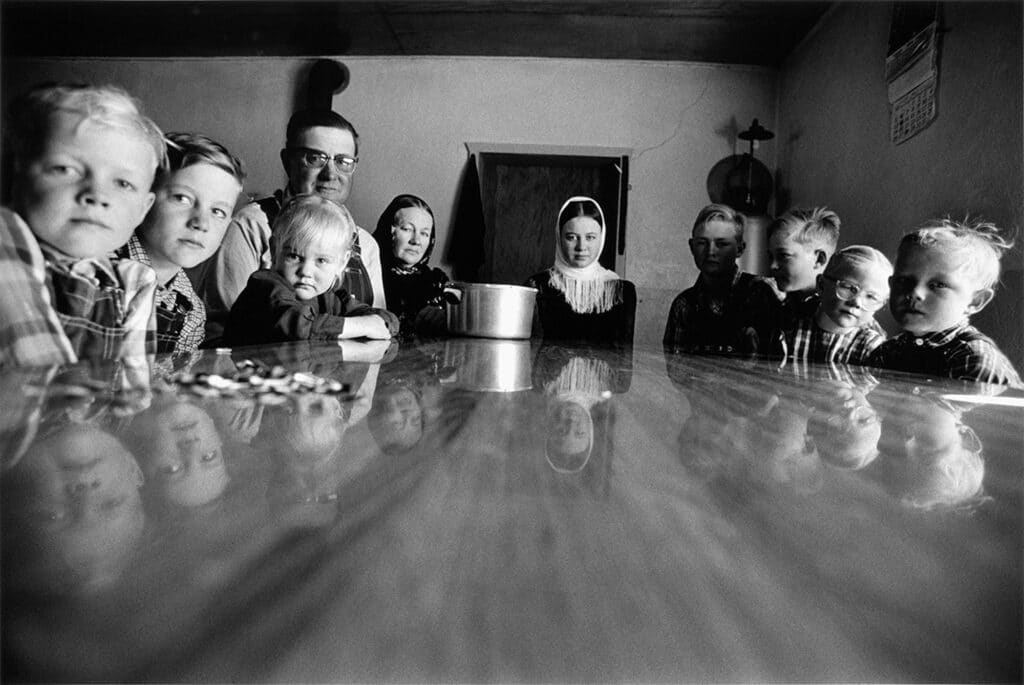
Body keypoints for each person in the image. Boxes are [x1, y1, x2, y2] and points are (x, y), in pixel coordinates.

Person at [0, 82, 167, 366]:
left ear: (143, 209)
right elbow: (36, 376)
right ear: (14, 176)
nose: (96, 195)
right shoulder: (5, 237)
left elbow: (133, 394)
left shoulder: (134, 283)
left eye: (123, 183)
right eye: (65, 169)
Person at [198, 109, 385, 345]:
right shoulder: (252, 225)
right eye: (315, 158)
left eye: (343, 161)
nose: (331, 174)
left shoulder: (366, 244)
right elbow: (222, 330)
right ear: (287, 161)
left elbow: (377, 331)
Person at [116, 132, 244, 357]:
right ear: (144, 199)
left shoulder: (191, 310)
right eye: (182, 199)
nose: (201, 223)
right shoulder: (98, 272)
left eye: (218, 211)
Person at [223, 194, 397, 346]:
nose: (306, 271)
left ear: (342, 263)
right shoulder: (265, 285)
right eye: (294, 256)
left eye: (321, 260)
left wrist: (379, 322)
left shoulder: (328, 298)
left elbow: (389, 320)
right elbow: (298, 325)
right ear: (274, 250)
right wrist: (365, 326)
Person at [869, 219, 1022, 387]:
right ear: (890, 285)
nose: (915, 293)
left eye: (938, 285)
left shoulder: (973, 360)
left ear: (976, 301)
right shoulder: (886, 352)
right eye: (904, 280)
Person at [525, 196, 636, 346]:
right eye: (572, 237)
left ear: (601, 238)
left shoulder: (621, 292)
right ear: (559, 237)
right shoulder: (537, 286)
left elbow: (624, 354)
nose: (581, 246)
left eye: (590, 237)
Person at [663, 203, 774, 354]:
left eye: (722, 244)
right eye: (702, 243)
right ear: (691, 247)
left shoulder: (762, 292)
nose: (711, 251)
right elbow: (675, 367)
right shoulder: (684, 305)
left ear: (740, 249)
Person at [773, 245, 891, 365]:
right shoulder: (790, 326)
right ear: (821, 285)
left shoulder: (870, 347)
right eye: (848, 287)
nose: (856, 302)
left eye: (871, 297)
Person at [746, 207, 841, 349]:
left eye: (783, 255)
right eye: (771, 256)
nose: (773, 266)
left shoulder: (843, 314)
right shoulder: (780, 306)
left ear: (819, 259)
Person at [372, 194, 450, 336]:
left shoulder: (438, 283)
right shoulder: (369, 275)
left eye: (425, 233)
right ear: (388, 231)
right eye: (407, 229)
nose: (416, 241)